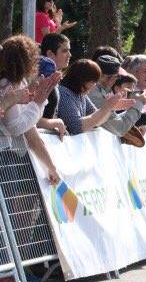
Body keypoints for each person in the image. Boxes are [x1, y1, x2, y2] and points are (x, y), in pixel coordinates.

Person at [0, 35, 62, 183]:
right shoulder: (8, 84)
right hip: (5, 158)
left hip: (8, 157)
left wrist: (51, 167)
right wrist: (38, 102)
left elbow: (32, 134)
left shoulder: (17, 83)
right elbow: (15, 127)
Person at [57, 59, 134, 135]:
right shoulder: (64, 93)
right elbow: (76, 127)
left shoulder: (81, 95)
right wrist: (106, 108)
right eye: (92, 82)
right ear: (82, 79)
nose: (94, 86)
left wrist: (110, 109)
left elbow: (97, 122)